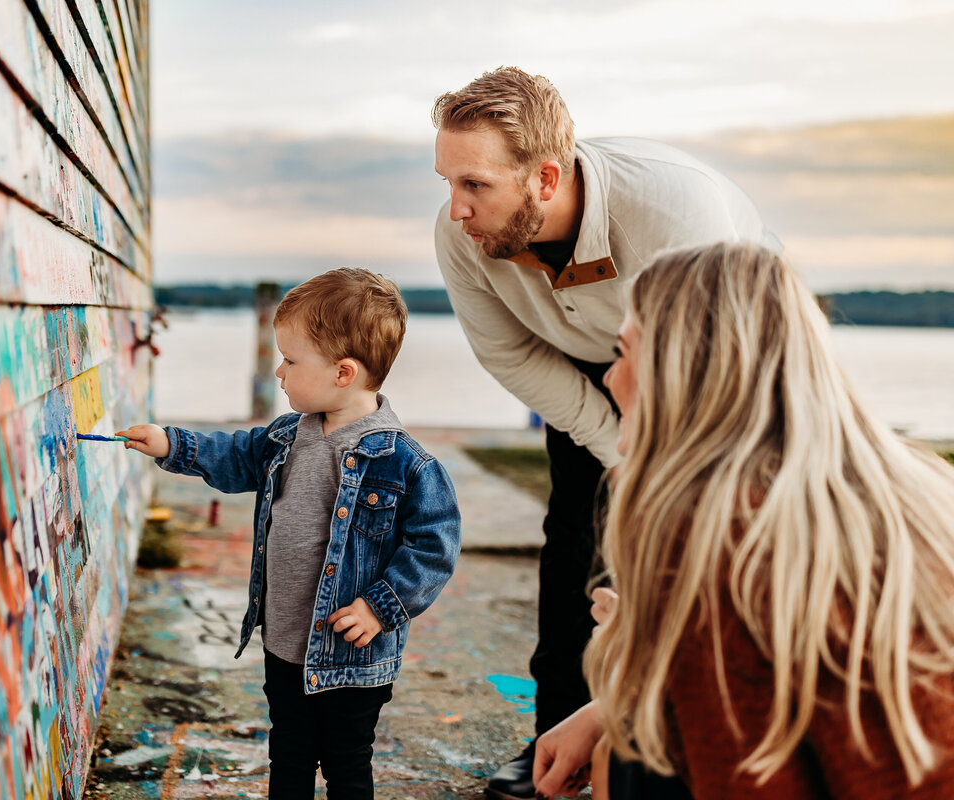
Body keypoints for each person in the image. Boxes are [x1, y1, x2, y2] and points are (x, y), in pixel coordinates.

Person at [431, 66, 777, 800]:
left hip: (715, 364)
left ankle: (687, 738)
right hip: (581, 366)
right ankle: (557, 743)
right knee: (575, 551)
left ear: (546, 177)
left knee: (693, 555)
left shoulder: (678, 216)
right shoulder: (463, 233)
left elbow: (709, 366)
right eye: (447, 182)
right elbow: (508, 353)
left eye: (474, 185)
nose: (454, 209)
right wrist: (616, 447)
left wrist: (656, 469)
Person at [533, 241, 954, 799]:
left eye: (625, 352)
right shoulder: (910, 486)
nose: (611, 379)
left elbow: (745, 779)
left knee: (622, 755)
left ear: (681, 370)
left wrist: (635, 653)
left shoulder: (715, 535)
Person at [118, 267, 462, 799]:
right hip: (284, 640)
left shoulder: (405, 463)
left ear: (344, 372)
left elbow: (434, 547)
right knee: (290, 755)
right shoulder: (285, 437)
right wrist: (172, 444)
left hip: (353, 654)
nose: (279, 371)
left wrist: (381, 606)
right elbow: (232, 455)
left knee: (348, 763)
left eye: (292, 360)